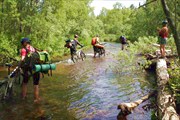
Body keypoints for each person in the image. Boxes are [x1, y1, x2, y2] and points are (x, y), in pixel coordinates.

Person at [20, 38, 40, 103]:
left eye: (22, 43)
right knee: (36, 84)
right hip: (36, 68)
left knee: (24, 83)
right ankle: (36, 99)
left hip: (28, 69)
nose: (22, 44)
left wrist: (19, 65)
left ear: (25, 43)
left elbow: (23, 59)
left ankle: (23, 97)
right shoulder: (33, 49)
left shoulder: (23, 49)